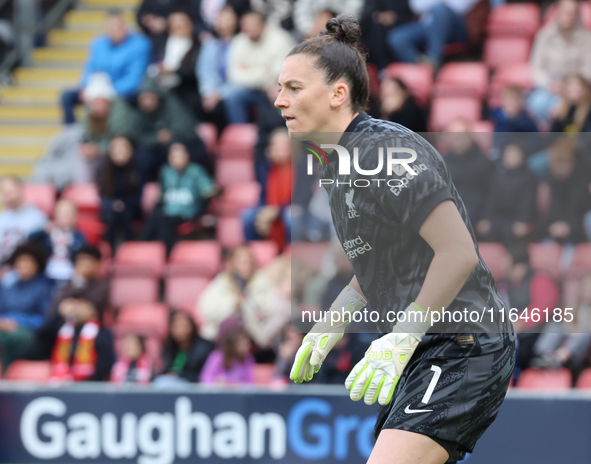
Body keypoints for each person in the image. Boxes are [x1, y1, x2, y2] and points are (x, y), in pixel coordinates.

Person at [276, 15, 515, 464]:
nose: (278, 100)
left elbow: (458, 252)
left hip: (463, 343)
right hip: (425, 346)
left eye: (292, 87)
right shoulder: (337, 164)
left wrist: (404, 334)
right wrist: (332, 322)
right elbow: (376, 268)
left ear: (337, 94)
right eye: (279, 87)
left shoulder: (384, 153)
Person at [61, 9, 151, 124]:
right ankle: (71, 131)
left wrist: (108, 92)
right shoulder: (98, 43)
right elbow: (90, 67)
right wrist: (85, 86)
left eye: (119, 25)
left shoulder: (140, 44)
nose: (116, 29)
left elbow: (135, 77)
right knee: (67, 97)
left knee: (130, 99)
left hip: (121, 91)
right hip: (98, 88)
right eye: (111, 26)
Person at [21, 246, 109, 362]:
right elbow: (57, 305)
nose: (83, 264)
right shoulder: (70, 283)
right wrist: (78, 282)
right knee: (37, 342)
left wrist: (72, 306)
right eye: (80, 260)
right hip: (63, 325)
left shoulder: (102, 285)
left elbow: (91, 306)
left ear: (97, 264)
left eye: (88, 260)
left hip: (87, 328)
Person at [140, 142, 218, 253]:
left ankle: (166, 254)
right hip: (169, 210)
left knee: (165, 222)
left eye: (181, 156)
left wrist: (198, 214)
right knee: (154, 218)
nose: (177, 159)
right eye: (174, 156)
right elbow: (161, 195)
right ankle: (142, 250)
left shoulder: (196, 171)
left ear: (187, 156)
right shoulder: (165, 171)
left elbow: (209, 193)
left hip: (187, 212)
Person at [130, 77, 208, 185]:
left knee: (196, 151)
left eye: (150, 98)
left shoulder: (172, 104)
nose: (147, 102)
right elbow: (138, 137)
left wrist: (171, 136)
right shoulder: (139, 113)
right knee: (142, 156)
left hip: (180, 143)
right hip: (158, 148)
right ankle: (145, 189)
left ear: (157, 96)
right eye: (143, 99)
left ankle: (201, 185)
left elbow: (187, 130)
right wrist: (157, 138)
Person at [225, 10, 295, 123]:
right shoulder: (239, 41)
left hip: (277, 88)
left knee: (278, 92)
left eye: (252, 24)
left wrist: (249, 71)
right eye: (245, 25)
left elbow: (279, 74)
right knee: (232, 94)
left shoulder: (280, 39)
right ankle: (241, 134)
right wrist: (263, 72)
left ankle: (280, 135)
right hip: (252, 89)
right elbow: (233, 75)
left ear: (263, 25)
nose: (248, 28)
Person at [528, 0, 591, 124]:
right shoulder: (544, 35)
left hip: (577, 87)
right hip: (550, 86)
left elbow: (588, 69)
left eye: (572, 13)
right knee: (536, 103)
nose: (569, 17)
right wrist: (548, 84)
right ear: (558, 13)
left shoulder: (587, 38)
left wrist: (573, 85)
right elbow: (536, 68)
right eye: (565, 12)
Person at [0, 242, 54, 371]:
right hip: (4, 327)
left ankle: (6, 377)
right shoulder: (8, 287)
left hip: (28, 331)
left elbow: (44, 318)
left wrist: (17, 322)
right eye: (21, 261)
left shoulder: (44, 288)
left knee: (14, 339)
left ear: (37, 265)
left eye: (29, 262)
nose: (24, 265)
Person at [476, 143, 538, 245]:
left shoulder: (529, 178)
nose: (510, 158)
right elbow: (491, 200)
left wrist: (522, 221)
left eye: (514, 155)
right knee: (488, 230)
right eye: (508, 154)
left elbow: (527, 203)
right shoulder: (497, 176)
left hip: (517, 218)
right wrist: (486, 219)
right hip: (497, 218)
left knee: (513, 232)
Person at [386, 0, 480, 67]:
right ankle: (422, 67)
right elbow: (416, 6)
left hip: (459, 26)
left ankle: (434, 59)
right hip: (428, 25)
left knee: (440, 10)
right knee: (397, 38)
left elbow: (460, 6)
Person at [242, 128, 292, 251]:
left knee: (290, 216)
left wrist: (276, 211)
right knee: (247, 215)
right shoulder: (266, 168)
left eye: (284, 146)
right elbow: (263, 197)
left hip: (289, 209)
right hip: (271, 208)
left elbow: (302, 199)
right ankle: (254, 255)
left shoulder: (301, 167)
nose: (280, 150)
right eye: (275, 146)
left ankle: (291, 253)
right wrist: (263, 214)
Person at [198, 246, 257, 342]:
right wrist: (233, 304)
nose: (248, 266)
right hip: (216, 338)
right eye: (244, 262)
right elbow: (205, 310)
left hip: (248, 340)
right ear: (233, 263)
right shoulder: (221, 283)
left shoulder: (259, 283)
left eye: (250, 262)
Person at [196, 4, 240, 132]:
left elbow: (240, 76)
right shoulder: (210, 44)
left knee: (225, 104)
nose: (222, 21)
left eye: (227, 17)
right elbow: (204, 72)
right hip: (212, 93)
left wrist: (219, 94)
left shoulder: (242, 42)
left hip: (231, 90)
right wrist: (207, 93)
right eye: (219, 17)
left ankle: (233, 139)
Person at [50, 298, 115, 382]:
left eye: (80, 307)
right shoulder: (66, 331)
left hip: (92, 382)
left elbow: (104, 362)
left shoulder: (100, 333)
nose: (76, 311)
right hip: (66, 381)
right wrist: (59, 313)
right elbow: (44, 333)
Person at [443, 119, 494, 226]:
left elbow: (492, 193)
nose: (458, 141)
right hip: (448, 209)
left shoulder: (484, 162)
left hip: (474, 212)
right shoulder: (442, 162)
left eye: (462, 137)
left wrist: (487, 218)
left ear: (470, 137)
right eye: (455, 137)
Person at [99, 137, 142, 249]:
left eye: (123, 150)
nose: (120, 154)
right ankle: (110, 252)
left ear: (130, 151)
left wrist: (123, 205)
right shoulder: (105, 170)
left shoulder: (137, 169)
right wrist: (113, 205)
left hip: (130, 208)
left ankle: (129, 251)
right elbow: (102, 196)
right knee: (110, 217)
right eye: (116, 151)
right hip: (110, 208)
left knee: (126, 216)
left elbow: (139, 197)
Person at [29, 200, 87, 283]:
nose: (66, 216)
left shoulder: (79, 237)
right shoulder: (47, 233)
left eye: (69, 213)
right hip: (46, 275)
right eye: (62, 213)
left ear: (76, 217)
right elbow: (30, 240)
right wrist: (44, 231)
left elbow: (83, 256)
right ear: (54, 215)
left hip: (70, 276)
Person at [156, 310, 214, 384]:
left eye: (184, 326)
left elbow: (203, 374)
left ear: (192, 327)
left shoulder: (204, 347)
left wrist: (180, 376)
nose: (180, 330)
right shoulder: (169, 347)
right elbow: (166, 369)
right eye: (176, 326)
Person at [0, 177, 47, 263]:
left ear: (21, 189)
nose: (8, 196)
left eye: (10, 192)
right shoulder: (2, 217)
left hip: (24, 266)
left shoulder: (37, 217)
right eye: (5, 193)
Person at [361, 0, 414, 72]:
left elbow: (410, 12)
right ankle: (383, 70)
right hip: (376, 29)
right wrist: (379, 16)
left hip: (401, 26)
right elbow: (367, 13)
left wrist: (394, 17)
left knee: (398, 38)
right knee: (376, 31)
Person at [199, 319, 255, 384]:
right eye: (242, 345)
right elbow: (205, 378)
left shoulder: (248, 359)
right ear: (232, 345)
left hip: (238, 394)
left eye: (247, 344)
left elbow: (249, 383)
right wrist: (216, 382)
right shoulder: (217, 356)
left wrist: (236, 384)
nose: (247, 347)